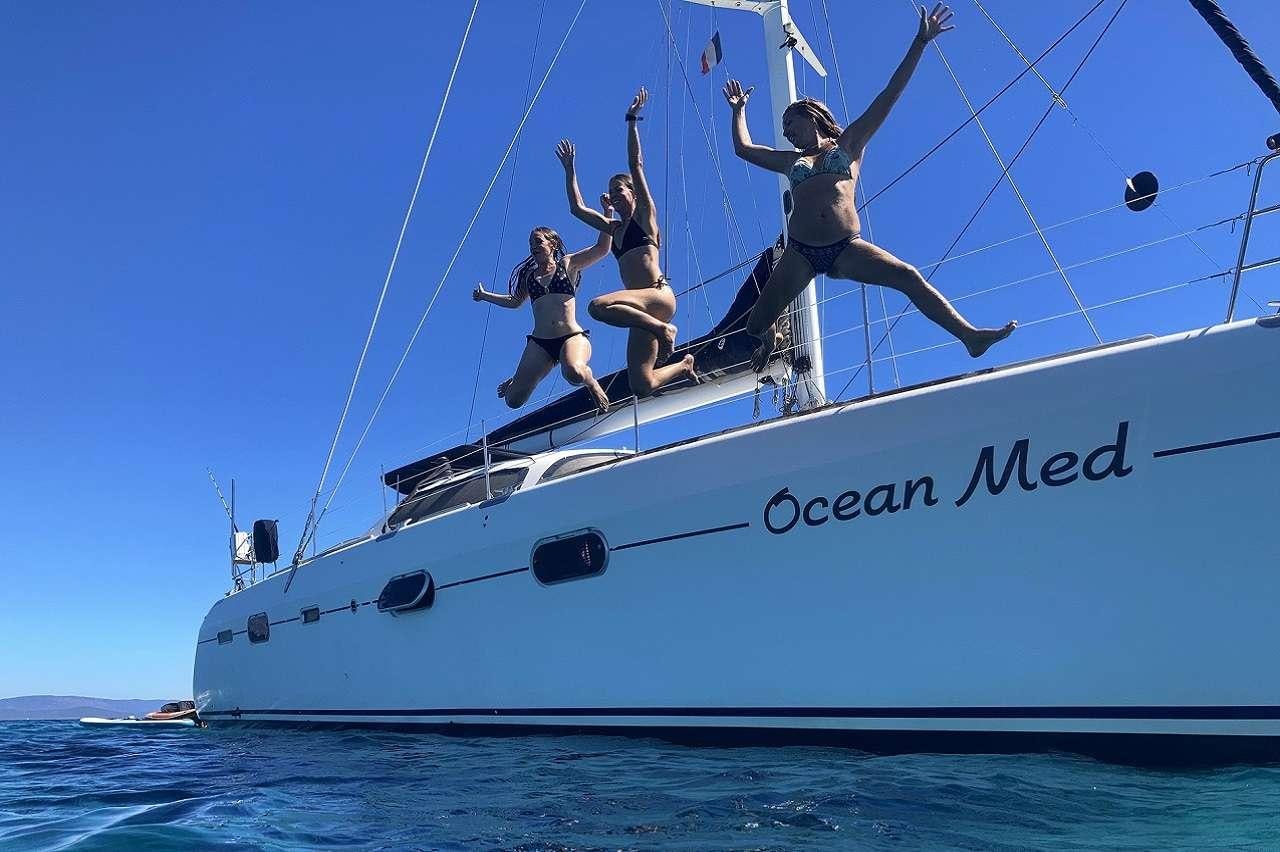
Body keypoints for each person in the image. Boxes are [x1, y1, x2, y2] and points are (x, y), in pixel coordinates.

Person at [722, 3, 1016, 372]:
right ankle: (771, 338)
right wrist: (738, 111)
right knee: (755, 324)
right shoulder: (789, 161)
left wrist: (920, 43)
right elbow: (743, 149)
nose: (786, 131)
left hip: (846, 249)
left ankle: (970, 336)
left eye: (790, 121)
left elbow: (888, 95)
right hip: (800, 253)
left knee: (907, 276)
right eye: (783, 128)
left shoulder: (849, 144)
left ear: (811, 116)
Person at [556, 86, 698, 397]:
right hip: (639, 312)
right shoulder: (614, 228)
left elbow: (637, 165)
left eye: (619, 191)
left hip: (657, 296)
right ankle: (684, 365)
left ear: (632, 193)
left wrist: (631, 119)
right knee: (641, 383)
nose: (615, 196)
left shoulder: (645, 216)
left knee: (596, 307)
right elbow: (576, 209)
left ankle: (663, 330)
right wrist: (570, 171)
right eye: (611, 192)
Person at [472, 226, 612, 411]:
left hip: (571, 337)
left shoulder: (567, 265)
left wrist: (608, 213)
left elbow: (601, 248)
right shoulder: (529, 276)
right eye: (531, 243)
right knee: (513, 401)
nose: (533, 246)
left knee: (575, 373)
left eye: (538, 241)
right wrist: (485, 296)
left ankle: (591, 382)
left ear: (552, 244)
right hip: (541, 344)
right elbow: (514, 301)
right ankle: (518, 379)